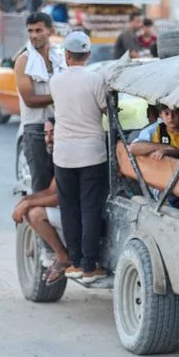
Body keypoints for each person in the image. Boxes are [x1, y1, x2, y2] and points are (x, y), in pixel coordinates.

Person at [49, 31, 109, 283]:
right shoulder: (95, 79)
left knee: (69, 209)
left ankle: (73, 262)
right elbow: (105, 109)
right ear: (88, 54)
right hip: (91, 154)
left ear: (66, 55)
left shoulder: (55, 80)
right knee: (90, 209)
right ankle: (89, 266)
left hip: (63, 154)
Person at [14, 12, 65, 193]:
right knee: (42, 186)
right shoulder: (23, 61)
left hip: (61, 127)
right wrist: (62, 95)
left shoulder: (59, 57)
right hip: (35, 129)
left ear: (50, 31)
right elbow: (29, 100)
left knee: (61, 187)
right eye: (30, 31)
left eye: (38, 30)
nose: (34, 35)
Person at [11, 175, 70, 285]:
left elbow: (62, 197)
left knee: (35, 214)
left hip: (82, 217)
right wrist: (25, 201)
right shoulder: (61, 159)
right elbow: (51, 191)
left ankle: (63, 257)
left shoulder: (71, 159)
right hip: (72, 212)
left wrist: (28, 203)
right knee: (29, 211)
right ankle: (61, 255)